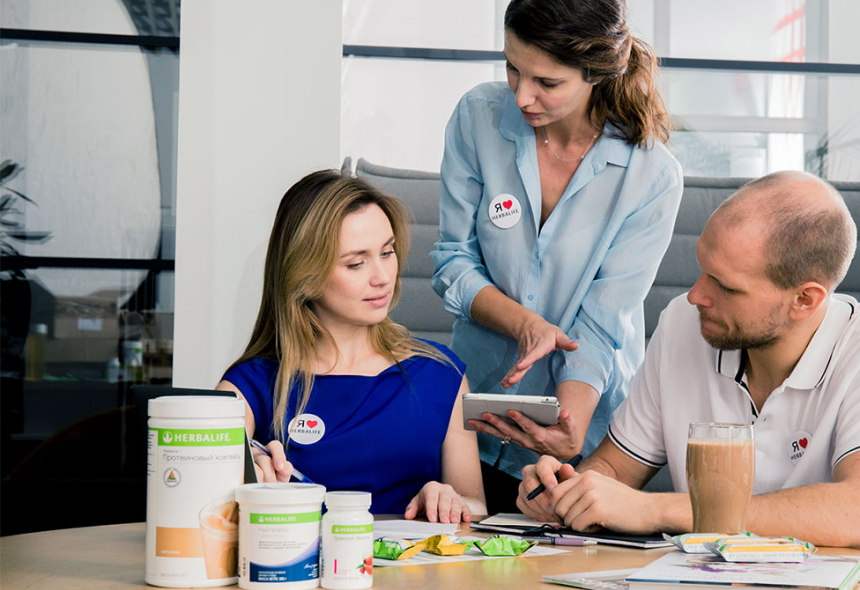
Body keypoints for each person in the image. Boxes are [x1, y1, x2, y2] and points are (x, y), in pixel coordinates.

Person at [431, 0, 683, 512]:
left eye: (547, 82)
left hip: (585, 435)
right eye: (512, 68)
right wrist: (525, 324)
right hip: (477, 419)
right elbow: (452, 261)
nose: (521, 95)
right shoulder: (478, 118)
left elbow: (602, 321)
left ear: (598, 72)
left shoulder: (651, 176)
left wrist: (569, 427)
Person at [518, 171, 860, 548]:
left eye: (725, 286)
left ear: (805, 300)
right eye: (702, 270)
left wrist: (656, 510)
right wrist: (571, 490)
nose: (696, 295)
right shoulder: (684, 322)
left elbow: (854, 510)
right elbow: (615, 467)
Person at [217, 170, 486, 524]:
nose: (383, 277)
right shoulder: (248, 387)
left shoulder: (441, 374)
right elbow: (199, 503)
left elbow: (477, 507)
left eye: (387, 252)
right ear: (303, 276)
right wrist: (240, 481)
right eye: (356, 263)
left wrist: (450, 500)